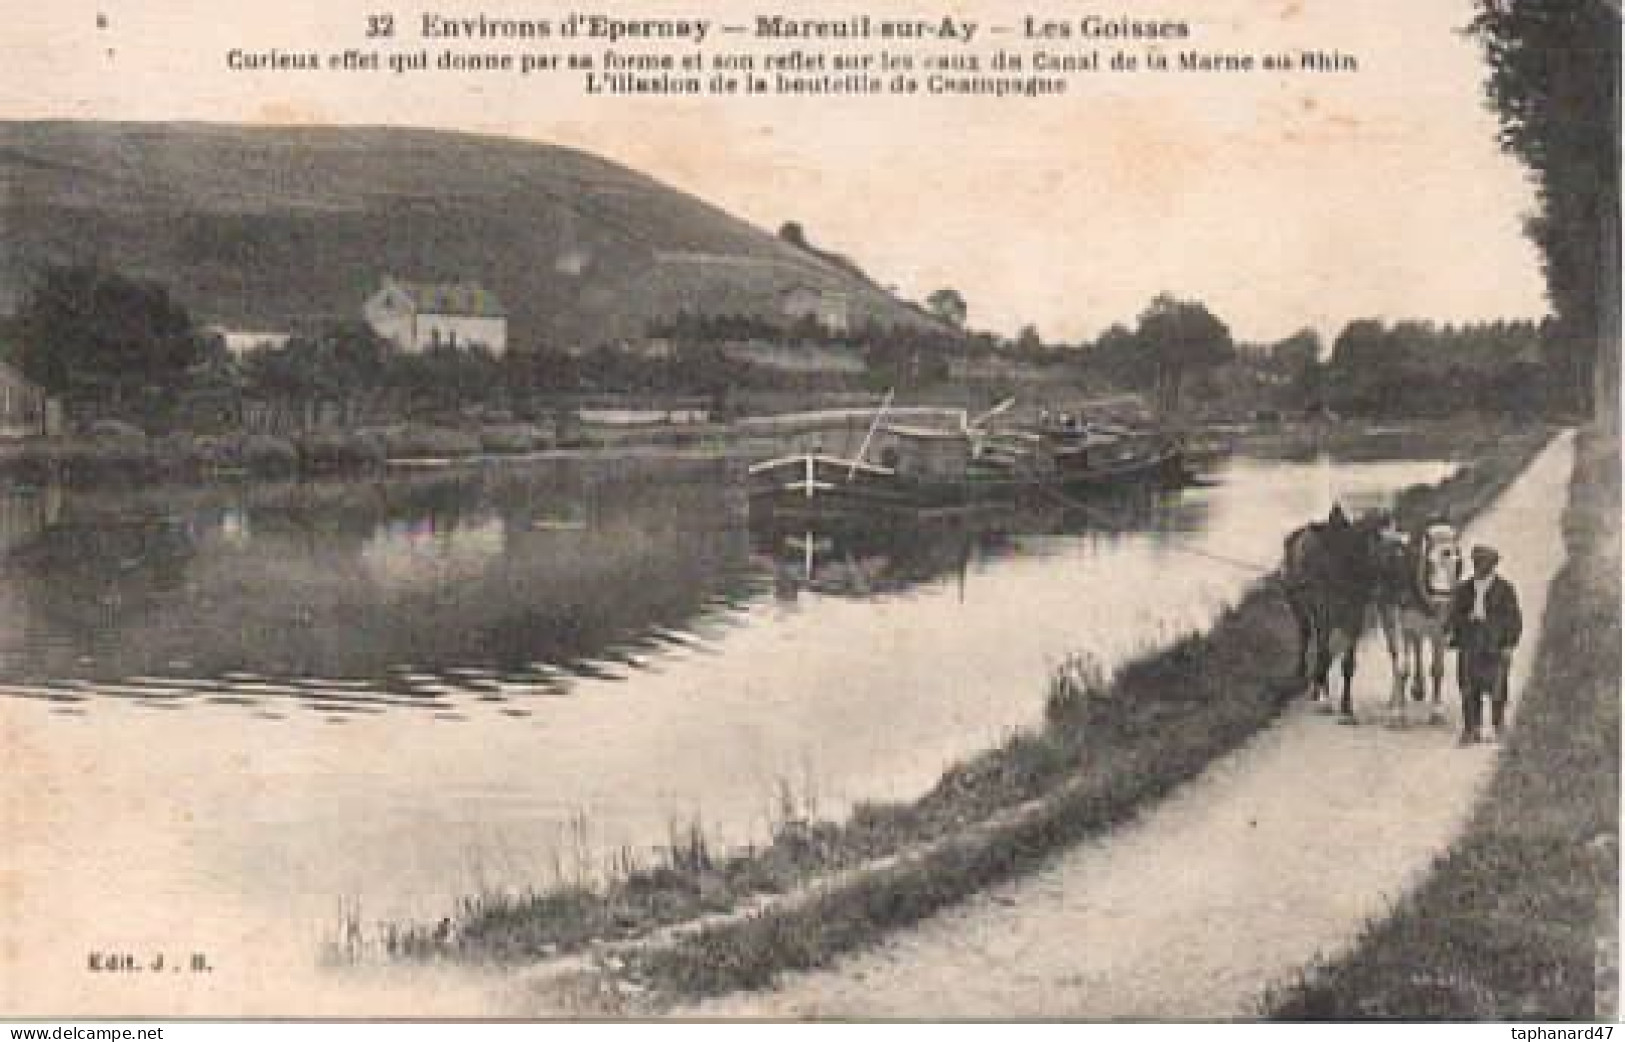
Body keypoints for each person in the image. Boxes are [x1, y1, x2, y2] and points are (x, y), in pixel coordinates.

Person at [1446, 544, 1522, 744]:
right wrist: (1455, 628)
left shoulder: (1505, 589)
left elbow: (1514, 618)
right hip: (1470, 638)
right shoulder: (1464, 588)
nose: (1479, 567)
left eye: (1484, 564)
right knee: (1468, 686)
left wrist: (1509, 644)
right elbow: (1454, 614)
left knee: (1497, 686)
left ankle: (1498, 725)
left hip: (1494, 641)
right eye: (1476, 563)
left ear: (1492, 566)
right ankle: (1471, 728)